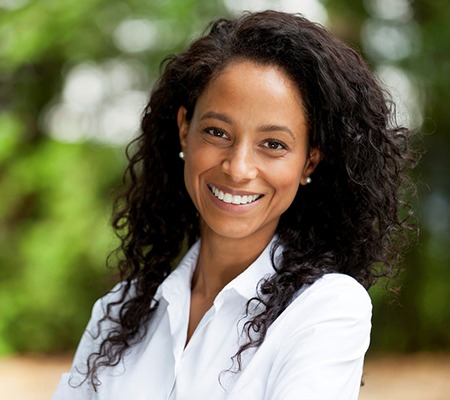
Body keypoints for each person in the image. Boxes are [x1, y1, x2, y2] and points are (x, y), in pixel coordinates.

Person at [53, 10, 415, 400]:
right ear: (184, 131)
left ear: (309, 161)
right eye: (217, 132)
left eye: (273, 144)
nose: (238, 168)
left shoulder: (325, 310)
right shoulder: (118, 313)